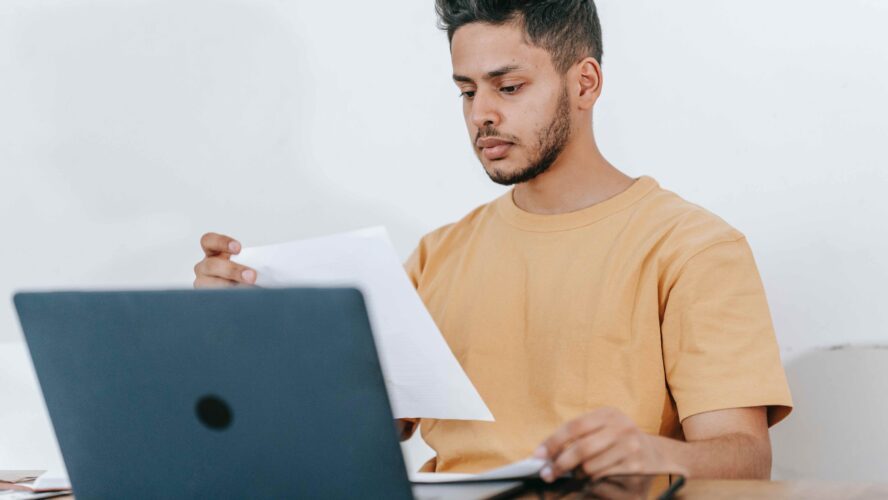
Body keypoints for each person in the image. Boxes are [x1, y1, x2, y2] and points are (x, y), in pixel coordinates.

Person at [193, 0, 792, 481]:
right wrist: (245, 333)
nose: (481, 114)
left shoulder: (692, 247)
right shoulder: (438, 255)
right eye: (466, 90)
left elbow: (744, 457)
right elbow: (344, 431)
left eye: (507, 88)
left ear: (585, 83)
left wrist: (655, 456)